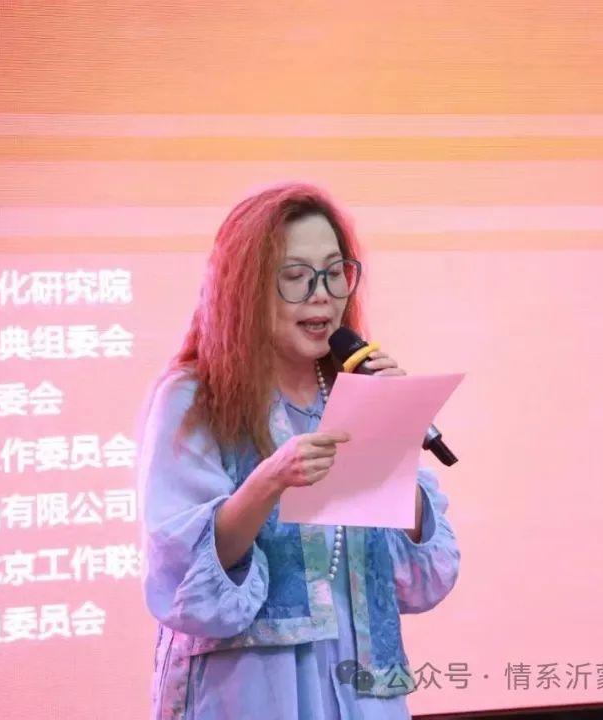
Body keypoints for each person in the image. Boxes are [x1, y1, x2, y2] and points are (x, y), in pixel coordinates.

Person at [137, 181, 460, 719]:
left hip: (363, 686)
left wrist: (396, 438)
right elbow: (181, 576)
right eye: (296, 277)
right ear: (245, 288)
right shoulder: (195, 397)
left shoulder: (353, 390)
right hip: (253, 689)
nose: (322, 294)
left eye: (335, 273)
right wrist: (269, 482)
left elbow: (423, 581)